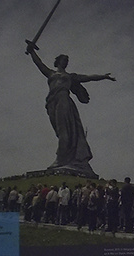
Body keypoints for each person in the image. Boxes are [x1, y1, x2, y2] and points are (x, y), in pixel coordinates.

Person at [24, 40, 115, 177]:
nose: (66, 62)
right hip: (51, 102)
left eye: (68, 60)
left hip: (64, 100)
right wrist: (32, 52)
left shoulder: (70, 76)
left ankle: (60, 160)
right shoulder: (51, 74)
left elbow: (88, 78)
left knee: (63, 131)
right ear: (58, 61)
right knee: (59, 131)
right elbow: (39, 64)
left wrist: (103, 76)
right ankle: (66, 157)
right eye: (64, 60)